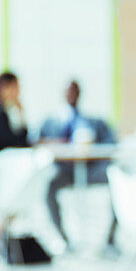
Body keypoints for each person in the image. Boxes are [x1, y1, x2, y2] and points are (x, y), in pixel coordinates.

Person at [37, 80, 119, 251]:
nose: (71, 95)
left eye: (74, 91)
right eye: (68, 91)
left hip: (92, 170)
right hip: (66, 172)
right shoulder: (50, 122)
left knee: (118, 182)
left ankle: (110, 239)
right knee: (49, 187)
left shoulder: (95, 122)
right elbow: (35, 142)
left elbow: (111, 144)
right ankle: (63, 239)